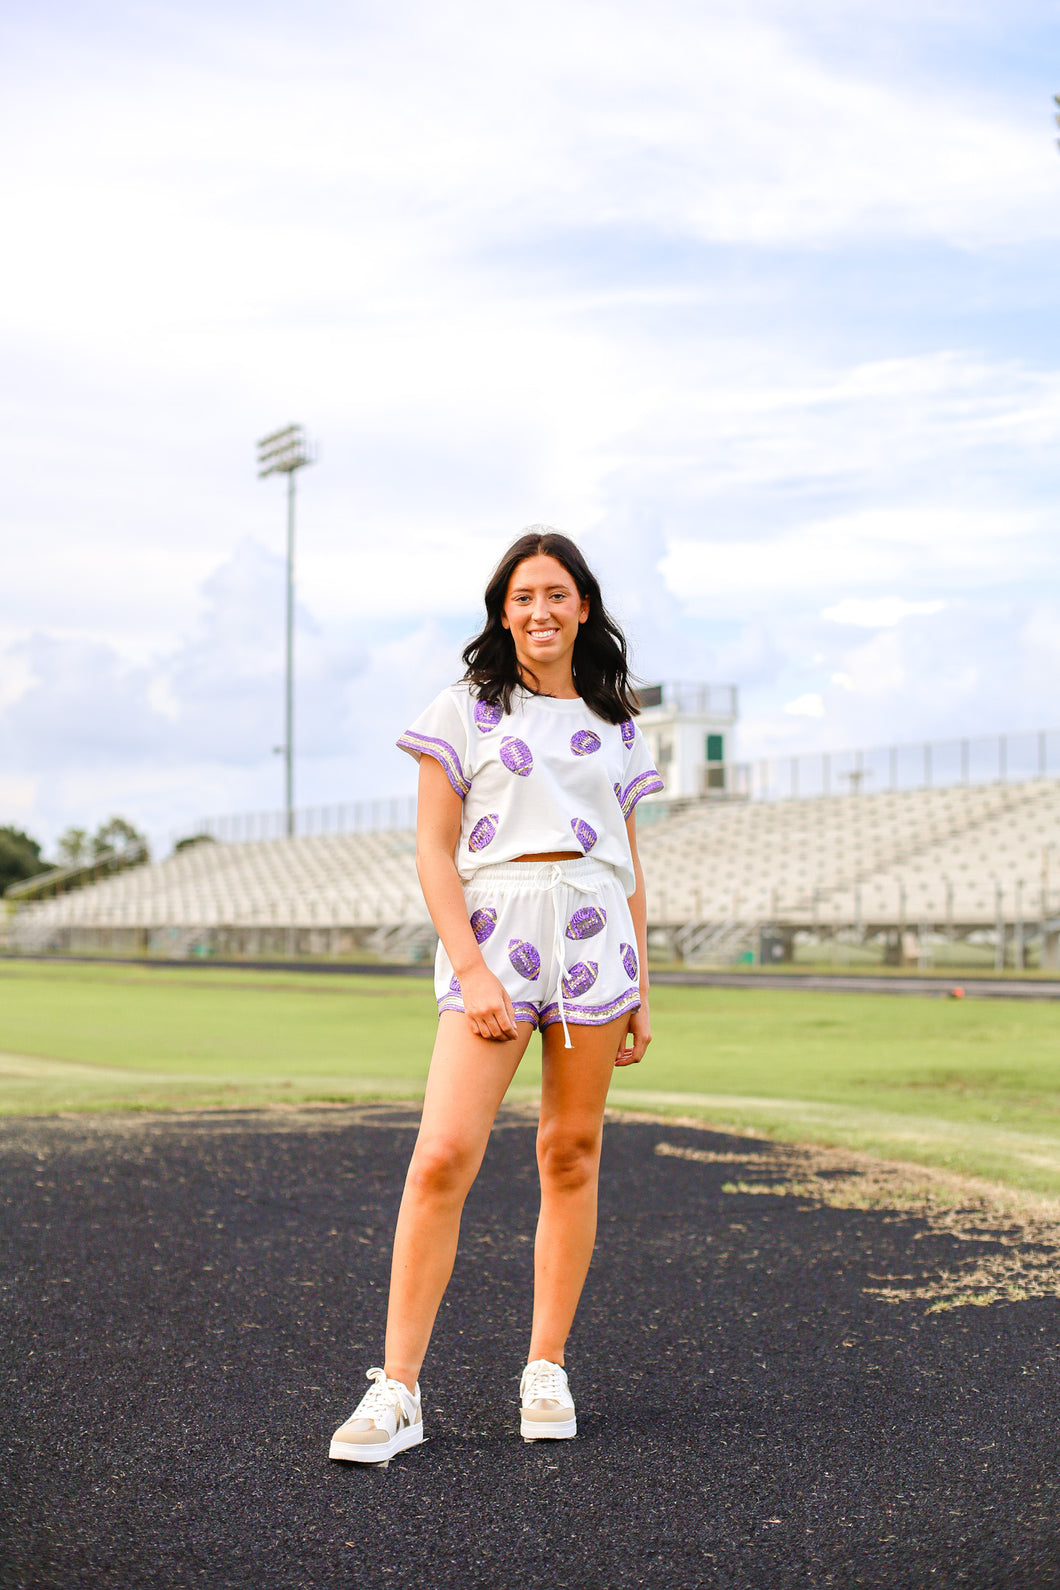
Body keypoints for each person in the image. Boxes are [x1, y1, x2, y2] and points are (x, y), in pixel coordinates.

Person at [329, 527, 662, 1464]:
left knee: (570, 1153)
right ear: (502, 610)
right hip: (498, 933)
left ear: (583, 606)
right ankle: (398, 1390)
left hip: (597, 934)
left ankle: (545, 1364)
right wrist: (473, 971)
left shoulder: (617, 722)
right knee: (442, 1154)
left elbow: (628, 863)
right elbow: (433, 850)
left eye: (556, 594)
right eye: (522, 597)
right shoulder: (465, 709)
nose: (539, 611)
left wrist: (644, 978)